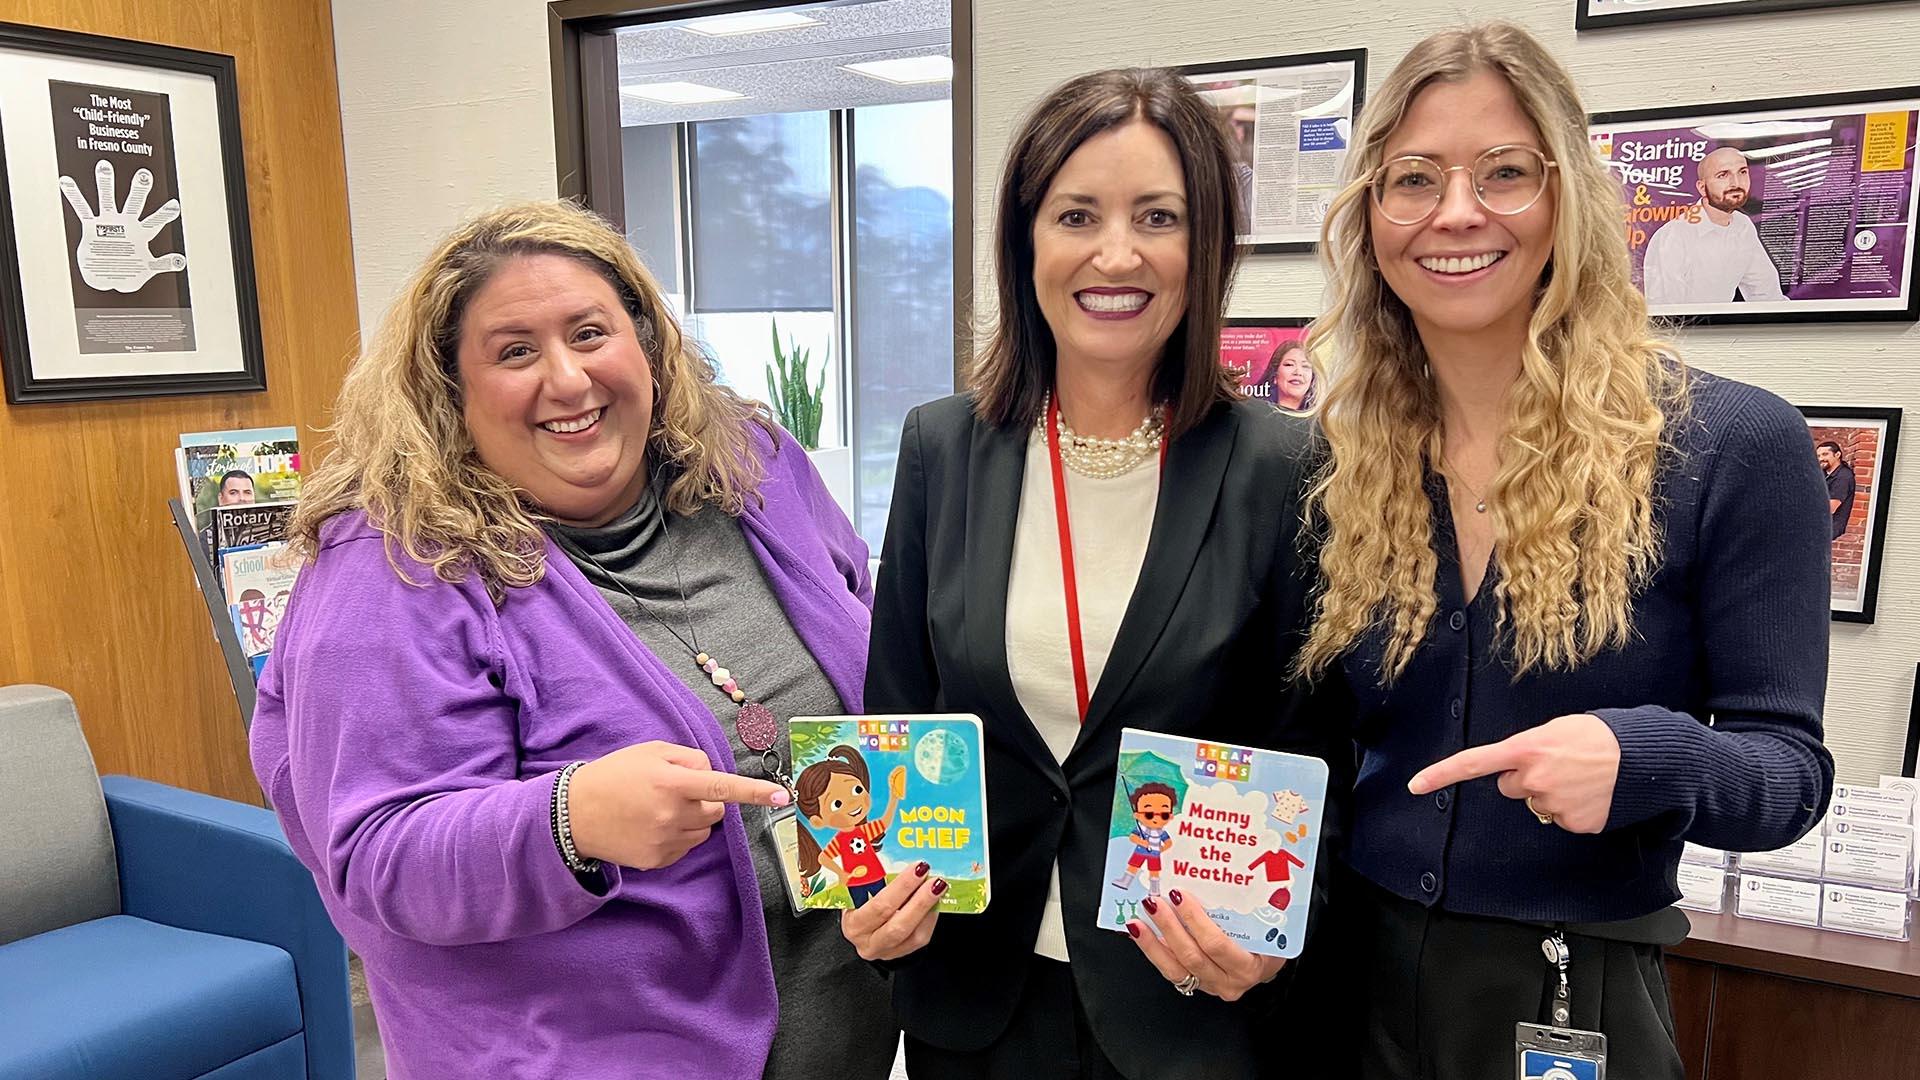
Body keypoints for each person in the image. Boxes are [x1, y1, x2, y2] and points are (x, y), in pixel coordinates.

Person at [249, 201, 896, 1079]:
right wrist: (568, 819)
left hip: (848, 1028)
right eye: (515, 351)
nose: (567, 379)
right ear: (450, 392)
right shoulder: (394, 564)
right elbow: (375, 856)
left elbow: (867, 641)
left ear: (649, 346)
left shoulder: (753, 466)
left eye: (591, 333)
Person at [1299, 24, 1833, 1079]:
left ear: (1570, 199)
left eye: (1505, 172)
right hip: (1347, 990)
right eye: (1413, 178)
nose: (1456, 212)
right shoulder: (1340, 462)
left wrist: (1642, 759)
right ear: (1370, 214)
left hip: (1569, 995)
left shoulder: (1731, 445)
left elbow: (1792, 773)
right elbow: (1308, 743)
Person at [861, 67, 1345, 1080]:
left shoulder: (1284, 466)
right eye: (1076, 214)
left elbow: (1320, 754)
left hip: (1182, 1006)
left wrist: (1271, 942)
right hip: (974, 1009)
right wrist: (872, 893)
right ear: (1026, 239)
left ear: (1204, 245)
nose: (1115, 254)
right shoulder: (942, 449)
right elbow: (898, 719)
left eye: (1157, 217)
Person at [1641, 145, 1787, 305]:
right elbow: (1665, 315)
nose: (1736, 183)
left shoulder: (1742, 226)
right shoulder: (1674, 236)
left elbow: (1766, 294)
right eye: (1723, 175)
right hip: (1691, 329)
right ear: (1702, 188)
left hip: (1723, 328)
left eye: (1742, 172)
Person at [1818, 439, 1857, 540]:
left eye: (1825, 454)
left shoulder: (1843, 477)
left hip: (1829, 528)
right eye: (1818, 456)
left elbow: (1830, 508)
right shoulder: (1826, 473)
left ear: (1837, 454)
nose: (1821, 458)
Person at [1268, 341, 1318, 412]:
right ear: (1275, 375)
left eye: (1305, 366)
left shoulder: (1321, 419)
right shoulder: (1258, 413)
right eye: (1289, 364)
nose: (1298, 372)